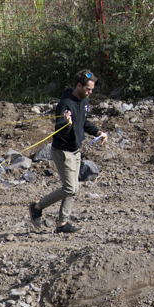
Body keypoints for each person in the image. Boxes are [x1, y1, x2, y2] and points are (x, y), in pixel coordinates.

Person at [29, 69, 108, 234]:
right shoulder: (65, 104)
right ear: (79, 85)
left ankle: (62, 224)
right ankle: (37, 207)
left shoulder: (84, 101)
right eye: (88, 89)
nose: (90, 92)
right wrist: (68, 124)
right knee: (70, 188)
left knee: (73, 188)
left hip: (75, 150)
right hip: (63, 151)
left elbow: (83, 122)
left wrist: (97, 132)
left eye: (92, 89)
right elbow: (59, 131)